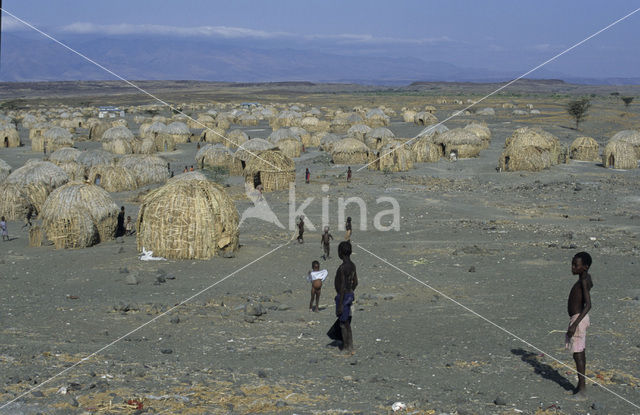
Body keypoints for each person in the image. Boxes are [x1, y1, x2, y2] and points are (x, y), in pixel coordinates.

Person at [565, 252, 593, 398]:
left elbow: (588, 305)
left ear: (585, 267)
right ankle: (580, 385)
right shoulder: (586, 278)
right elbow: (591, 284)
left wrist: (574, 324)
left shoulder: (583, 281)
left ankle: (582, 389)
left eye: (576, 265)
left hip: (578, 319)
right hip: (578, 319)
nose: (572, 267)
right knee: (579, 352)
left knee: (578, 354)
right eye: (572, 264)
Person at [334, 241, 358, 353]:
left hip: (342, 297)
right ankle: (350, 345)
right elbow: (356, 282)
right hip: (349, 295)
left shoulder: (342, 268)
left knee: (343, 323)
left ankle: (347, 347)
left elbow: (342, 285)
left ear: (340, 253)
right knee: (347, 321)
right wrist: (351, 291)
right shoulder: (352, 265)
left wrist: (340, 304)